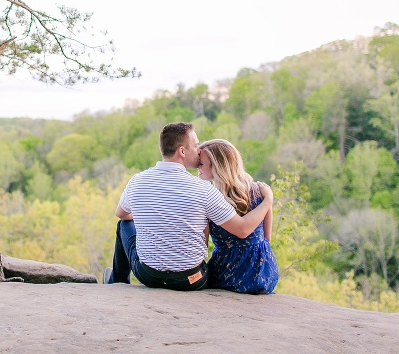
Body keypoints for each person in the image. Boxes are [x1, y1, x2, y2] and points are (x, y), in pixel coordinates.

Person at [102, 122, 273, 291]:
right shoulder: (204, 189)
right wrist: (267, 201)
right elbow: (240, 230)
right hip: (192, 280)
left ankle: (118, 282)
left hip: (149, 276)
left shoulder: (137, 181)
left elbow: (121, 214)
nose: (199, 151)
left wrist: (148, 215)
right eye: (196, 145)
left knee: (124, 225)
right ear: (182, 151)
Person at [198, 139, 279, 294]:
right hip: (263, 270)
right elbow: (267, 239)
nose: (197, 167)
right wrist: (269, 200)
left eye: (201, 164)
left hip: (226, 272)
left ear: (217, 167)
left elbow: (203, 245)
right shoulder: (259, 192)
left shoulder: (211, 199)